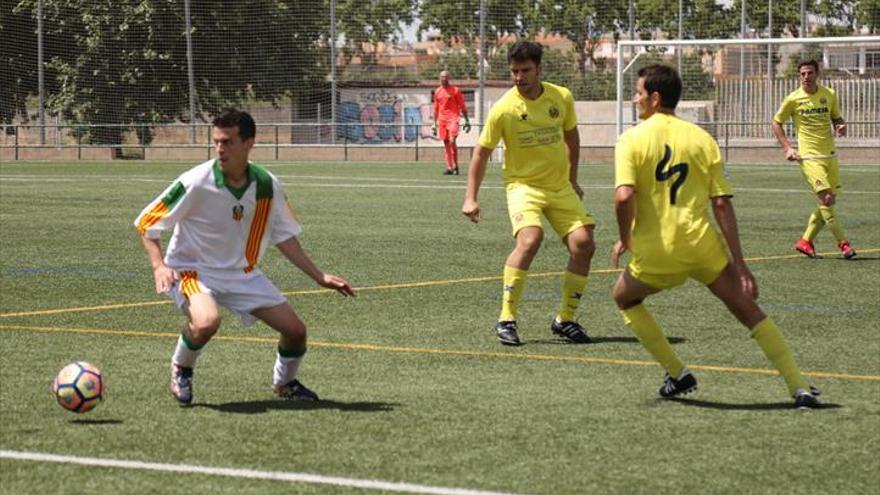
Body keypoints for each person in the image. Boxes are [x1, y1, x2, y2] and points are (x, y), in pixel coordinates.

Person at [611, 64, 821, 408]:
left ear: (655, 97)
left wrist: (626, 238)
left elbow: (623, 197)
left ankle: (677, 373)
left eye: (637, 93)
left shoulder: (631, 139)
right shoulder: (702, 138)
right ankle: (797, 385)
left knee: (623, 298)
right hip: (702, 246)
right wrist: (741, 265)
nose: (635, 100)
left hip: (658, 251)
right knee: (748, 310)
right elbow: (721, 204)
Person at [134, 109, 355, 405]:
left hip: (242, 274)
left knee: (296, 331)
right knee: (207, 322)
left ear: (249, 143)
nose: (220, 149)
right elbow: (148, 221)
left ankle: (285, 383)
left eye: (227, 142)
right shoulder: (196, 181)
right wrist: (159, 266)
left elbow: (284, 235)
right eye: (216, 142)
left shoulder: (266, 185)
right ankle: (181, 368)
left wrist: (319, 276)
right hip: (192, 271)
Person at [461, 40, 595, 346]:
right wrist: (471, 197)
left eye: (525, 70)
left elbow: (572, 139)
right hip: (524, 187)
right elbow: (481, 153)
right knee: (530, 239)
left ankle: (566, 319)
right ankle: (506, 318)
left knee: (584, 244)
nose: (519, 77)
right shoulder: (504, 108)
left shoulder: (561, 97)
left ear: (539, 69)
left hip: (559, 188)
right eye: (514, 71)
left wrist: (573, 180)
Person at [771, 59, 856, 260]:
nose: (806, 77)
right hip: (809, 157)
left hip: (830, 155)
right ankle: (844, 244)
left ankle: (805, 241)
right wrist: (788, 148)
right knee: (825, 198)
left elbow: (837, 118)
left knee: (829, 201)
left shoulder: (829, 94)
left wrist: (840, 126)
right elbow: (776, 122)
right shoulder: (793, 99)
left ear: (817, 74)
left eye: (809, 73)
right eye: (802, 74)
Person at [433, 70, 471, 175]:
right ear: (439, 78)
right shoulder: (437, 92)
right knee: (446, 143)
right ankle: (450, 167)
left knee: (452, 141)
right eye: (442, 77)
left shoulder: (455, 90)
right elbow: (436, 108)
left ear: (448, 78)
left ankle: (455, 166)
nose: (443, 78)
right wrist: (434, 123)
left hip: (453, 118)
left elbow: (462, 106)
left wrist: (467, 120)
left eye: (445, 77)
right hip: (442, 120)